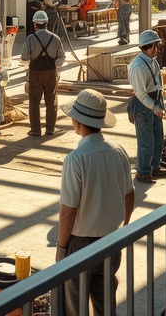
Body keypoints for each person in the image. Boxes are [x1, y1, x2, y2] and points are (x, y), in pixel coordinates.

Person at [55, 89, 134, 316]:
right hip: (111, 240)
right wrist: (124, 226)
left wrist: (61, 248)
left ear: (76, 121)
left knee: (75, 308)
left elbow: (68, 212)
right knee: (105, 304)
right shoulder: (119, 151)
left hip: (80, 245)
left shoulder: (76, 159)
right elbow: (129, 194)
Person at [127, 30, 166, 183]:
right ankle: (143, 171)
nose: (158, 49)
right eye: (156, 46)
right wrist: (154, 107)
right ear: (149, 47)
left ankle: (155, 166)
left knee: (158, 137)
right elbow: (141, 94)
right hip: (143, 106)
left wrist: (160, 104)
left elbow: (159, 82)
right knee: (146, 142)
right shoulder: (138, 66)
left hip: (155, 101)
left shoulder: (153, 61)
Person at [21, 11, 61, 136]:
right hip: (50, 73)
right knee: (51, 101)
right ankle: (50, 129)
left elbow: (24, 57)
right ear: (47, 23)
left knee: (34, 102)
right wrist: (55, 66)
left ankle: (35, 130)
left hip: (35, 74)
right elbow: (62, 56)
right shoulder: (55, 38)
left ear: (35, 24)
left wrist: (27, 65)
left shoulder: (31, 39)